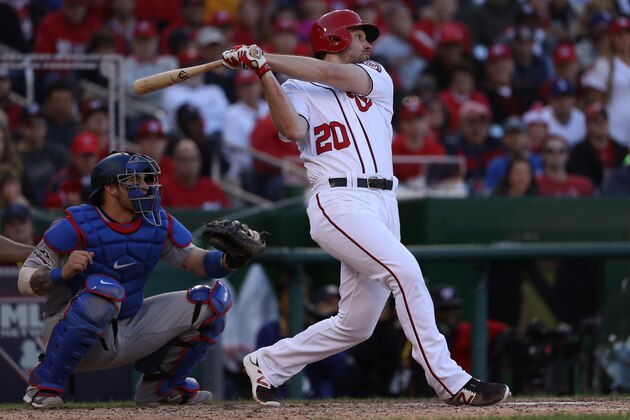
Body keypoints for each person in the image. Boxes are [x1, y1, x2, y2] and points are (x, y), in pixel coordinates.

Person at [222, 9, 510, 407]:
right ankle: (450, 380)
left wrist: (264, 56)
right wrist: (263, 73)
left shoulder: (375, 75)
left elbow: (330, 76)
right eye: (359, 36)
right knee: (405, 271)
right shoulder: (295, 89)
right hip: (338, 200)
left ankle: (268, 364)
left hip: (383, 202)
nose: (369, 44)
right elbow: (291, 130)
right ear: (337, 40)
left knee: (356, 324)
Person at [17, 151, 259, 408]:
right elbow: (25, 280)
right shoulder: (75, 224)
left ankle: (161, 389)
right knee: (103, 293)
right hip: (69, 330)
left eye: (147, 179)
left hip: (131, 325)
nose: (146, 187)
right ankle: (43, 386)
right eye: (135, 181)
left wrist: (230, 259)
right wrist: (61, 274)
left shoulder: (157, 222)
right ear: (110, 188)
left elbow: (197, 261)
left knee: (212, 301)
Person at [160, 139, 230, 210]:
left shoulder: (212, 188)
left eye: (193, 159)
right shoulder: (163, 190)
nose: (189, 164)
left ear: (200, 161)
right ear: (174, 162)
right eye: (183, 160)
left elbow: (228, 213)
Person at [43, 131, 101, 208]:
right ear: (73, 156)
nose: (87, 160)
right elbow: (48, 203)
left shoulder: (104, 178)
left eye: (91, 155)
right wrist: (66, 199)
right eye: (83, 155)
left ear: (97, 156)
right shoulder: (62, 178)